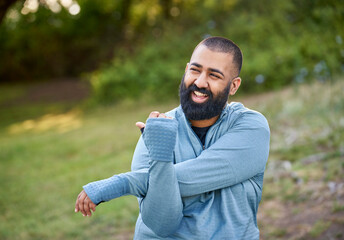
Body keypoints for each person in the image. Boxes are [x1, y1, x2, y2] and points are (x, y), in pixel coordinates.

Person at [75, 36, 270, 239]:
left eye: (214, 75)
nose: (200, 82)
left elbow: (193, 177)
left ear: (233, 86)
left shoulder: (250, 127)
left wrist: (123, 183)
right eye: (195, 70)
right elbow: (162, 224)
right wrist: (161, 153)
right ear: (186, 69)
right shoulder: (158, 130)